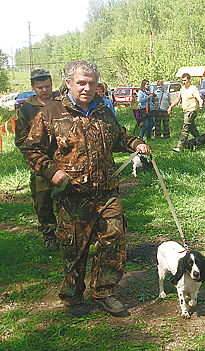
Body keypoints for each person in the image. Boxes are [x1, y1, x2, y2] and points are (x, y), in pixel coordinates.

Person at [20, 60, 151, 318]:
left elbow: (118, 137)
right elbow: (31, 149)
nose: (87, 88)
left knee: (113, 240)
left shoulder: (103, 109)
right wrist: (52, 172)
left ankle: (104, 291)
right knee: (75, 248)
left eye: (91, 83)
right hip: (73, 195)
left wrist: (135, 142)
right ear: (68, 83)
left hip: (106, 191)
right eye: (81, 83)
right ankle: (73, 295)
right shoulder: (51, 112)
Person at [15, 68, 60, 252]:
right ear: (33, 87)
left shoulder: (60, 103)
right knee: (43, 202)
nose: (44, 90)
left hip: (64, 160)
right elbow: (20, 140)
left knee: (68, 199)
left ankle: (69, 234)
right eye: (40, 87)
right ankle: (49, 236)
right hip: (40, 164)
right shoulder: (27, 109)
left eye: (47, 86)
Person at [167, 73, 203, 152]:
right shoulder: (182, 88)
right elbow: (178, 99)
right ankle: (200, 142)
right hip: (185, 111)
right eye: (182, 80)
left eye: (185, 80)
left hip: (191, 110)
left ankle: (180, 147)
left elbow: (198, 98)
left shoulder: (193, 88)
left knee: (185, 128)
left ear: (189, 80)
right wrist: (170, 107)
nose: (184, 82)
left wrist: (200, 104)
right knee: (192, 129)